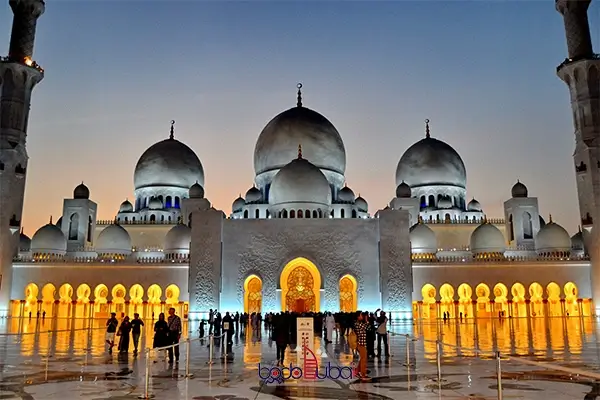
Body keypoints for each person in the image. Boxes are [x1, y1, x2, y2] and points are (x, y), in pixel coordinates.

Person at [354, 312, 370, 381]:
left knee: (362, 358)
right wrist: (366, 320)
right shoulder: (358, 323)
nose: (362, 316)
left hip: (362, 343)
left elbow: (368, 328)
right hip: (361, 343)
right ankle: (363, 374)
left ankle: (357, 371)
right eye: (361, 315)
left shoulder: (359, 323)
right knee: (364, 359)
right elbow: (367, 327)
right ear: (358, 317)